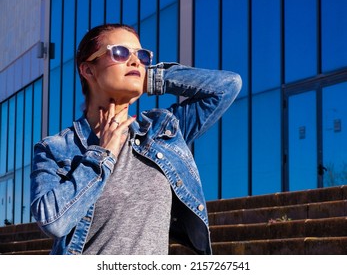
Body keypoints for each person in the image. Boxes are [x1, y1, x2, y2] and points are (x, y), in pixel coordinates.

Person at [30, 23, 242, 255]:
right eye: (120, 53)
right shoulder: (56, 149)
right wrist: (102, 155)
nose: (135, 61)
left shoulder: (162, 131)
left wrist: (150, 77)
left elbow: (227, 86)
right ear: (88, 70)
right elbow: (53, 221)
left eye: (141, 56)